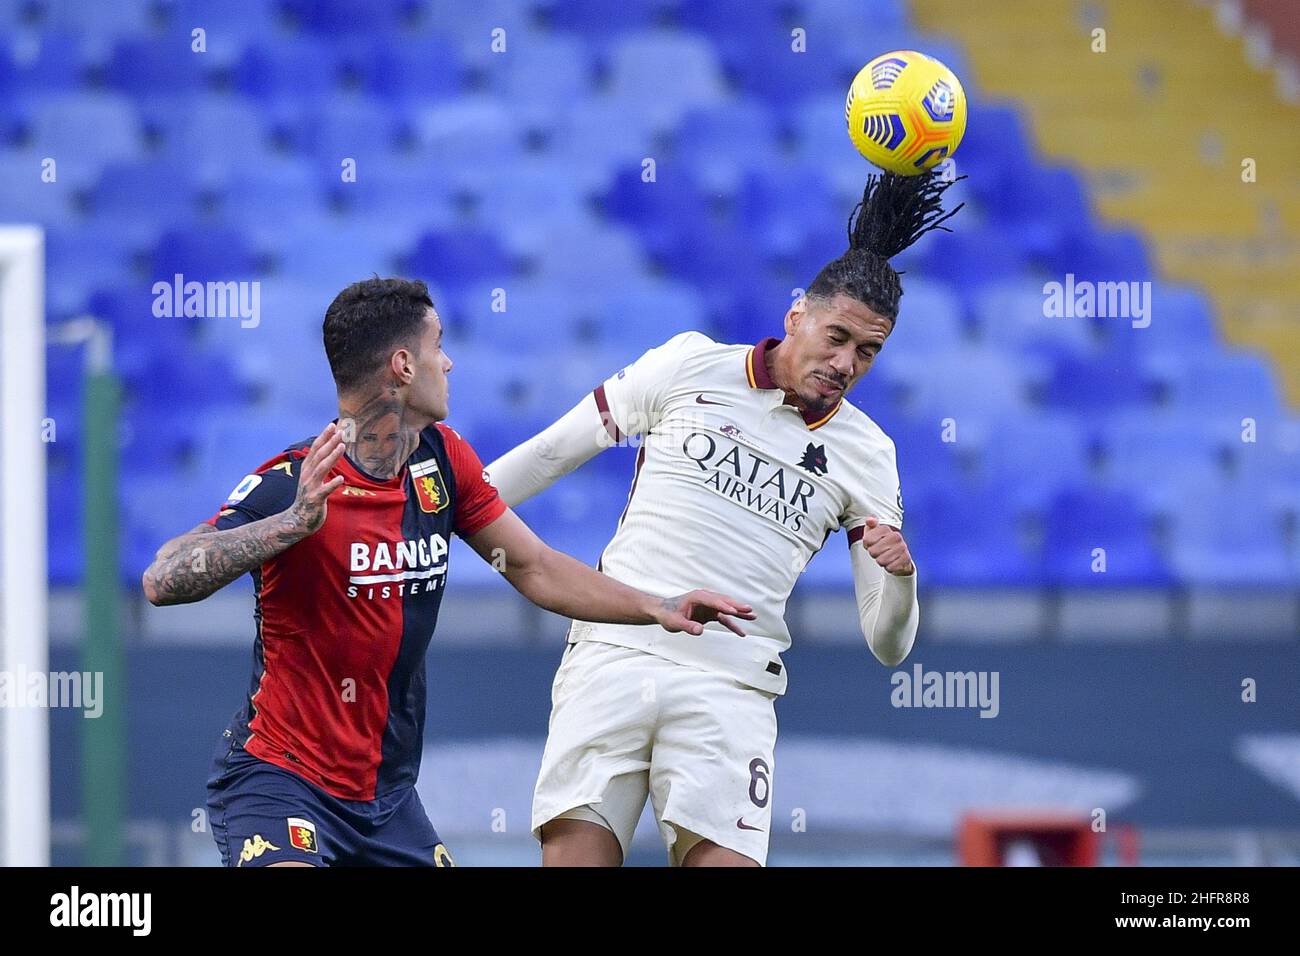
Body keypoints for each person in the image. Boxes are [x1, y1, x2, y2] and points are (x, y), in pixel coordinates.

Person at [141, 277, 754, 867]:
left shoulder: (442, 458)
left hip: (386, 798)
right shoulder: (297, 481)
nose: (450, 363)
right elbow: (161, 580)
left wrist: (655, 606)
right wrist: (289, 526)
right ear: (403, 366)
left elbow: (534, 566)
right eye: (439, 347)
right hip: (281, 782)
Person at [484, 171, 963, 866]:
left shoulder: (868, 454)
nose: (845, 363)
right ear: (797, 313)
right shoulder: (689, 366)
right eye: (836, 338)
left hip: (731, 683)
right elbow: (554, 451)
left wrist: (904, 581)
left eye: (867, 352)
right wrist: (438, 511)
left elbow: (889, 644)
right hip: (617, 649)